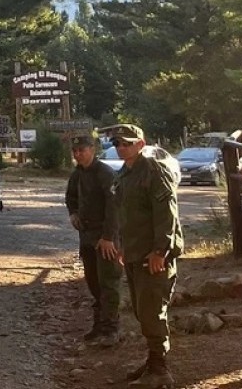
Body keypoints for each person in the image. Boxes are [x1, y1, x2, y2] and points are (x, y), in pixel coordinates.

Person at [101, 124, 183, 387]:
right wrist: (123, 246)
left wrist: (161, 251)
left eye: (126, 143)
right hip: (135, 253)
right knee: (141, 310)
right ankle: (152, 362)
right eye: (117, 144)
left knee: (152, 312)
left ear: (140, 143)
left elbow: (166, 215)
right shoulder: (125, 173)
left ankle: (161, 371)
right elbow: (126, 215)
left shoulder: (153, 171)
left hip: (154, 254)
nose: (121, 148)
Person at [64, 135, 121, 347]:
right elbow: (70, 197)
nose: (78, 154)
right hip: (86, 237)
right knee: (93, 283)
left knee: (108, 284)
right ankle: (99, 326)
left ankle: (111, 330)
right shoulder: (77, 174)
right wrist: (73, 213)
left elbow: (114, 207)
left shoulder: (105, 173)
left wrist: (108, 238)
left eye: (82, 150)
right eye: (75, 151)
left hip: (105, 238)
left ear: (92, 149)